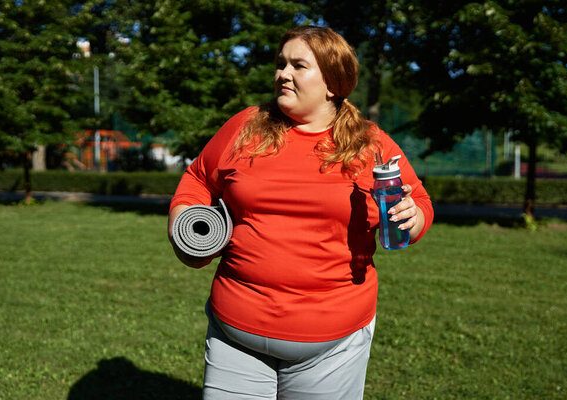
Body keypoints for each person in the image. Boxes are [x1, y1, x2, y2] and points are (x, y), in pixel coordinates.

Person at [168, 25, 434, 400]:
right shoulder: (245, 127)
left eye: (298, 65)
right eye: (280, 64)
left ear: (333, 82)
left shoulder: (368, 143)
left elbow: (419, 202)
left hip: (332, 346)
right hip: (235, 334)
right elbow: (198, 178)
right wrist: (185, 219)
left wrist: (413, 216)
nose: (283, 74)